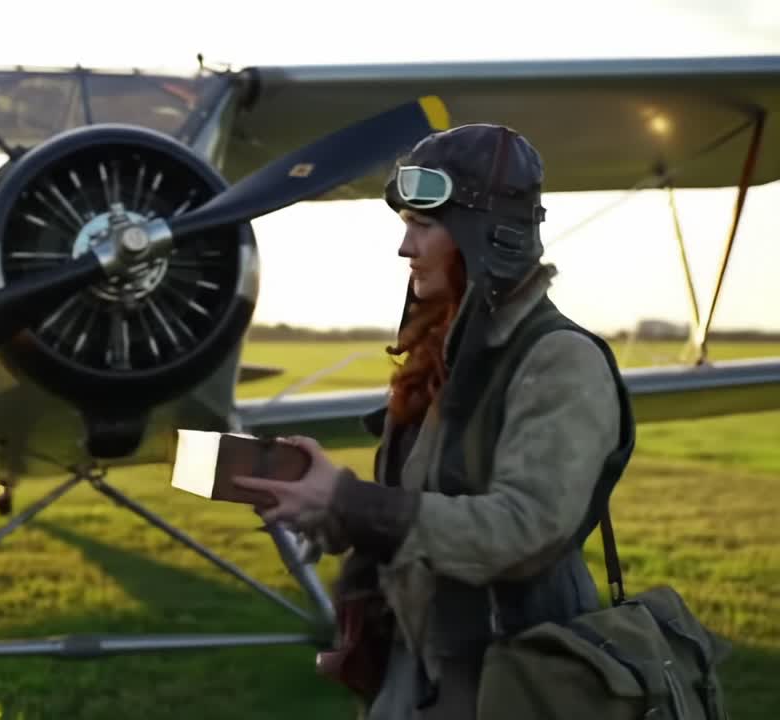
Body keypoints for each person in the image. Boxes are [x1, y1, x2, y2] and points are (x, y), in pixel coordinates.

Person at [234, 124, 636, 718]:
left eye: (422, 227)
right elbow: (423, 514)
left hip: (515, 683)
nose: (405, 249)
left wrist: (354, 503)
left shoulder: (560, 359)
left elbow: (523, 530)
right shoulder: (440, 357)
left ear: (484, 234)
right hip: (416, 672)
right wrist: (331, 510)